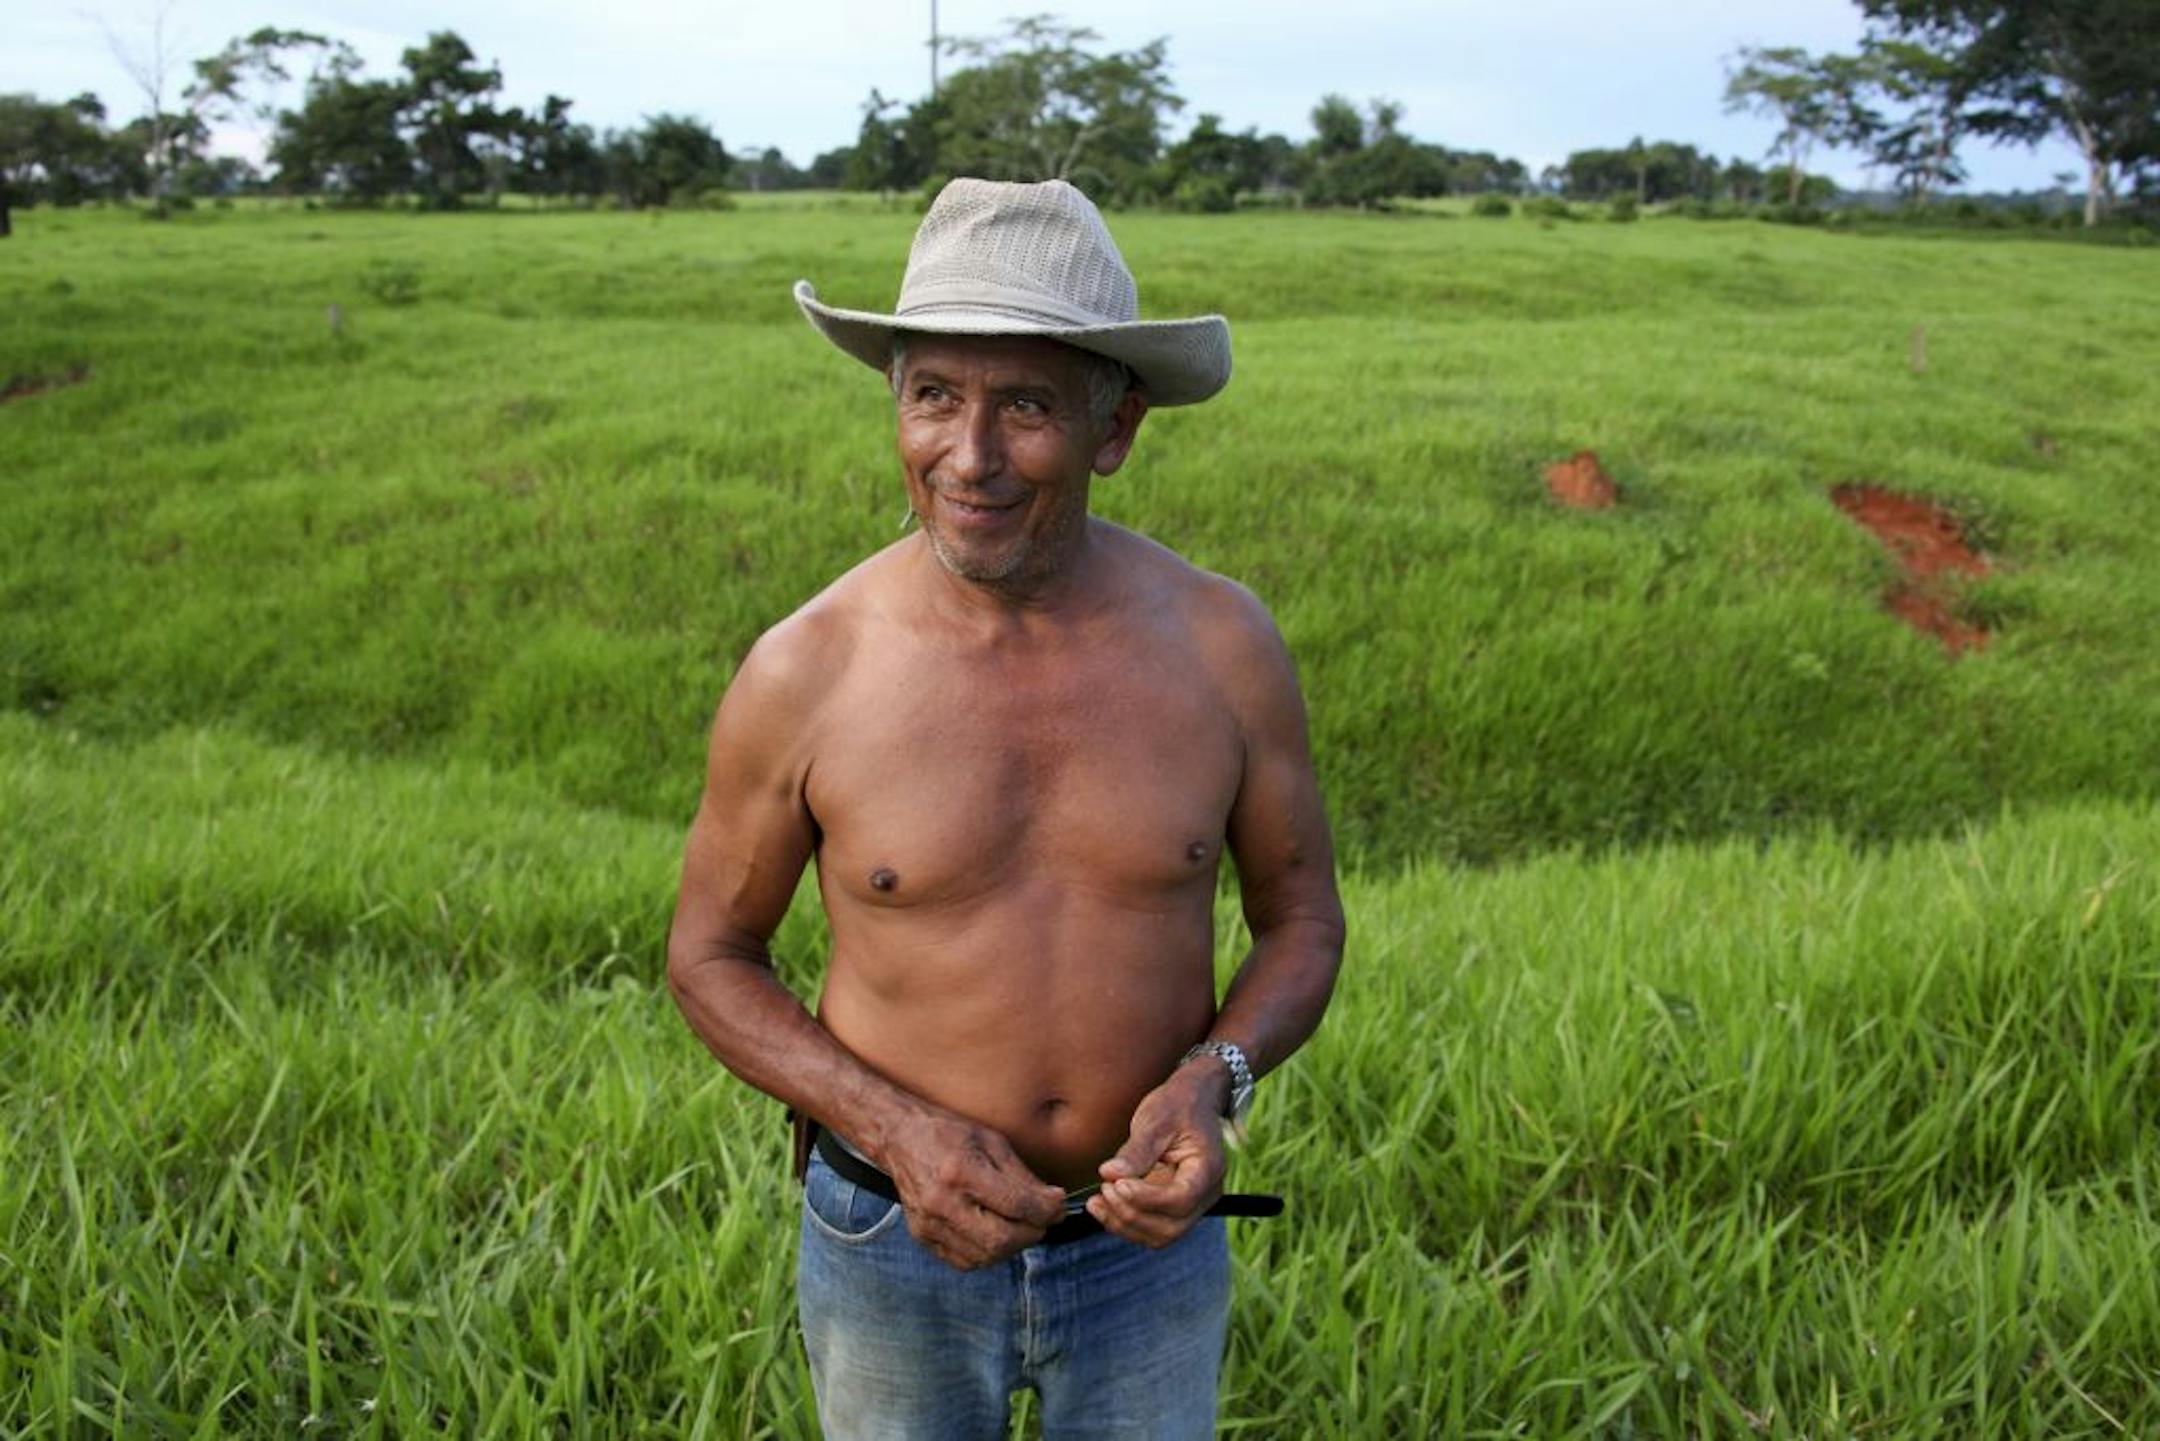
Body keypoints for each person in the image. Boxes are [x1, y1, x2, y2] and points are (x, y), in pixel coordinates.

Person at [666, 177, 1345, 1440]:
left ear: (1115, 425)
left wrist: (1216, 1077)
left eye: (1025, 406)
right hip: (887, 1234)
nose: (966, 458)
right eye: (935, 397)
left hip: (1143, 1243)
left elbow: (1301, 919)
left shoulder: (1222, 648)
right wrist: (896, 1130)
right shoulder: (808, 667)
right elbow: (708, 954)